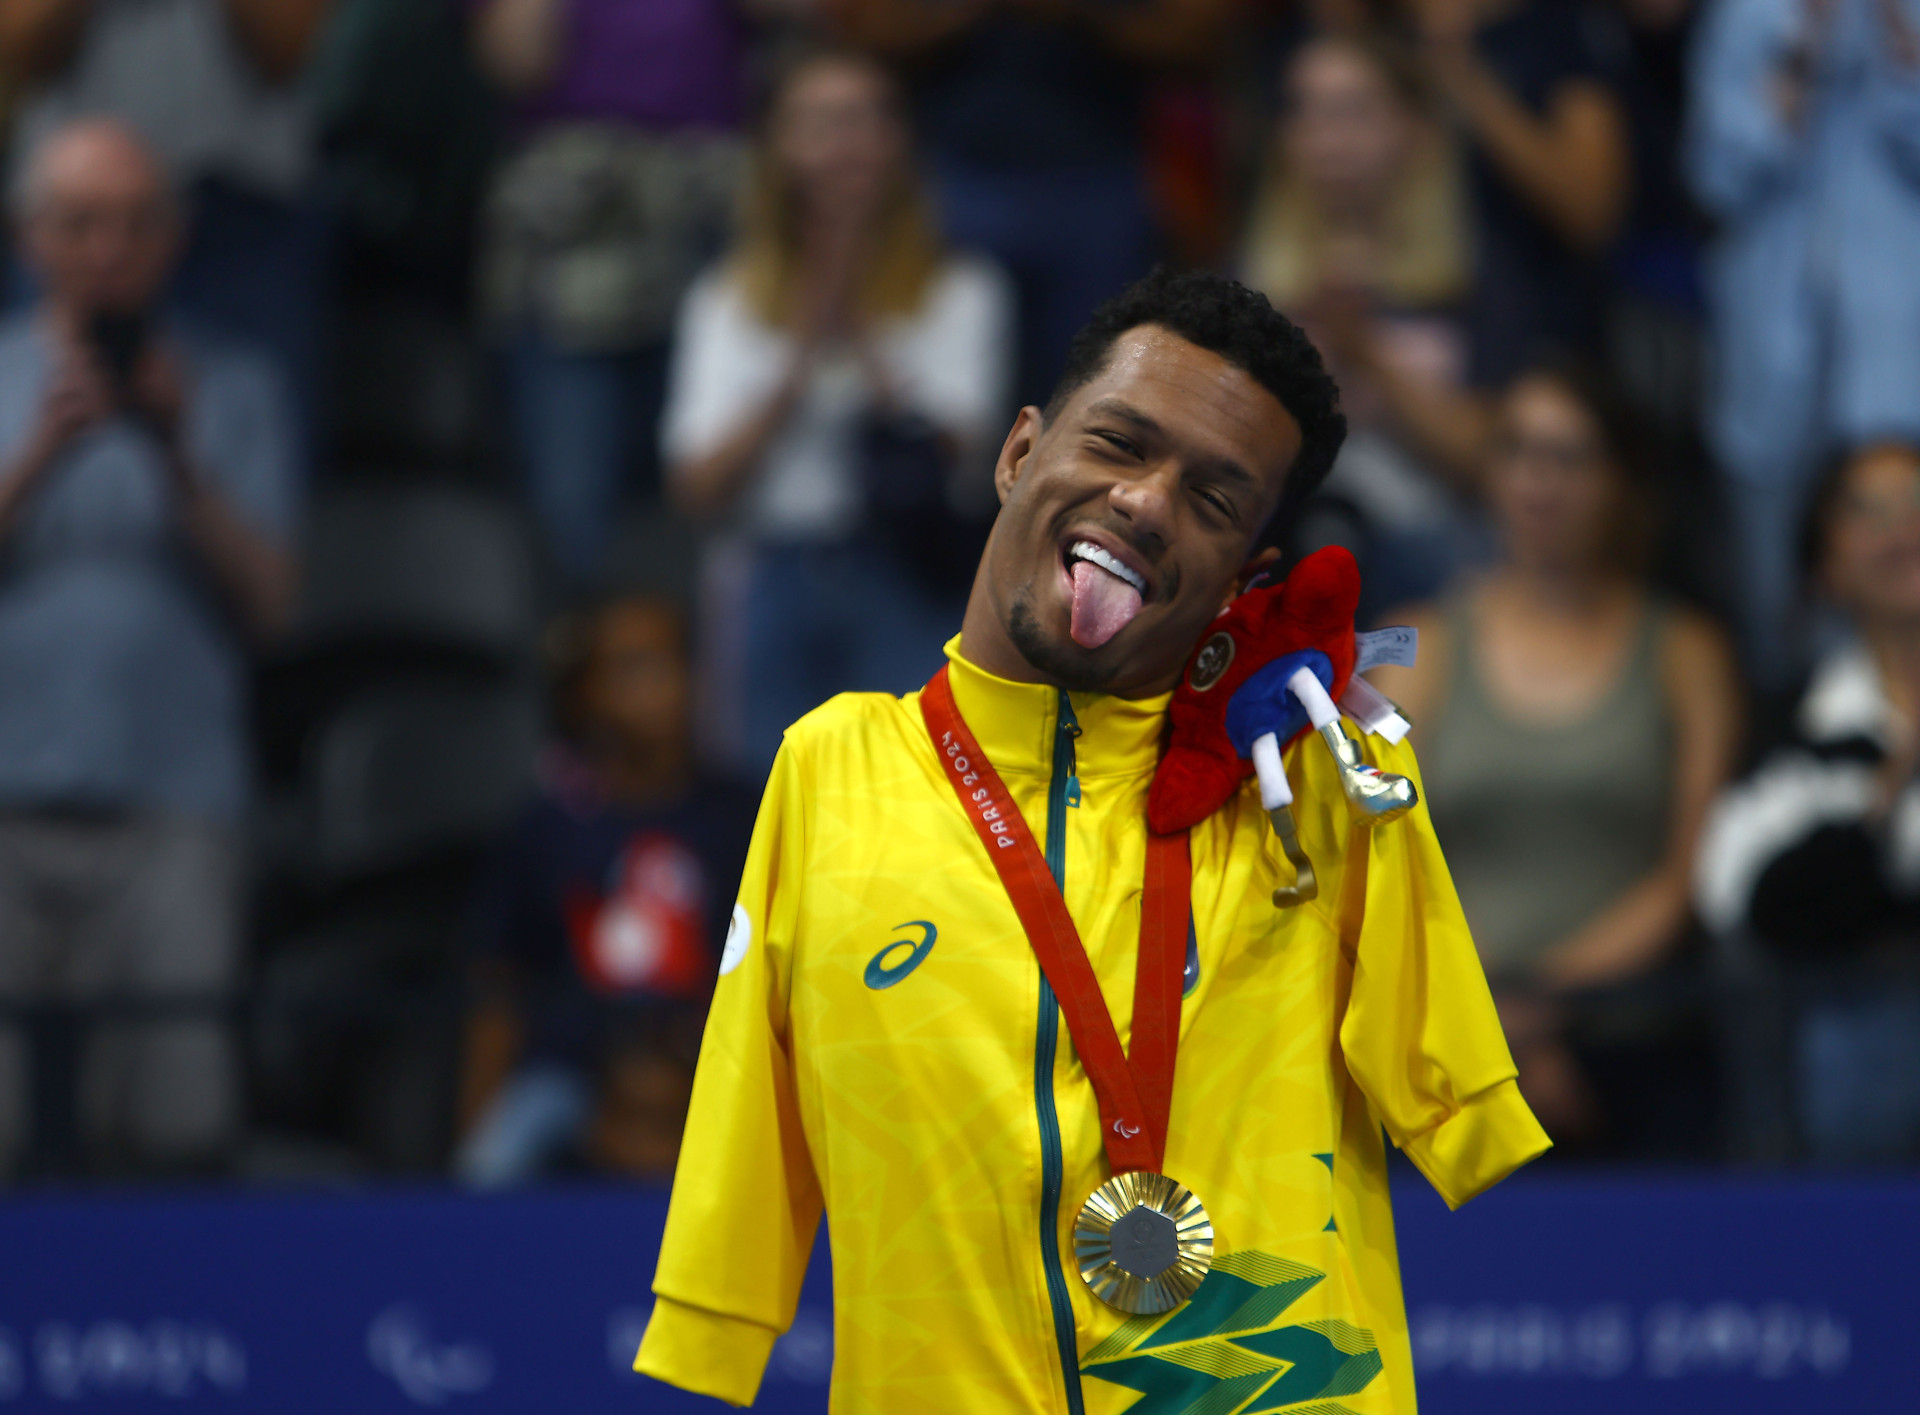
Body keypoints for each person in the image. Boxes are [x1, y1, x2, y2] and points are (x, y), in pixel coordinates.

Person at [634, 268, 1547, 1409]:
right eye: (1120, 442)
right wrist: (711, 1323)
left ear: (1244, 576)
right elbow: (746, 1127)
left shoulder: (1314, 771)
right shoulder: (831, 770)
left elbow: (1457, 1099)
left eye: (1215, 500)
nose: (1150, 502)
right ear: (1019, 451)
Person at [0, 120, 300, 1177]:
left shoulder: (235, 385)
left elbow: (274, 608)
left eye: (133, 224)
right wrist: (39, 449)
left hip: (176, 806)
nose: (107, 250)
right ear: (28, 236)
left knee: (176, 1135)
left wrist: (178, 459)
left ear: (172, 239)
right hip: (5, 800)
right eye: (81, 224)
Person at [1369, 360, 1741, 1146]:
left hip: (1634, 1048)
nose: (1540, 480)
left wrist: (1535, 1010)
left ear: (1621, 481)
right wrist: (1489, 1019)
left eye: (1570, 456)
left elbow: (1688, 875)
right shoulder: (1417, 642)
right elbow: (1377, 861)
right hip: (1443, 1042)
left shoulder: (1686, 652)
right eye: (1516, 450)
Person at [661, 46, 1014, 777]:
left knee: (908, 794)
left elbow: (969, 462)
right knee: (764, 801)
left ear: (898, 140)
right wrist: (796, 364)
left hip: (905, 570)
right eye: (820, 122)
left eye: (862, 119)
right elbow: (695, 485)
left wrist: (861, 335)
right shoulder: (727, 300)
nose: (844, 144)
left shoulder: (963, 291)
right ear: (779, 147)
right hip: (771, 570)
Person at [456, 593, 756, 1187]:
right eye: (623, 668)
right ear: (586, 691)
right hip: (570, 1072)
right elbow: (500, 985)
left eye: (660, 663)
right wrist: (475, 1124)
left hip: (709, 1068)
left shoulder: (741, 816)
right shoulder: (550, 825)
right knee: (491, 1167)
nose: (648, 687)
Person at [1695, 441, 1920, 1164]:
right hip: (1867, 1056)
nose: (1902, 531)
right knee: (1855, 1018)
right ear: (1826, 566)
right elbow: (1740, 892)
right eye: (1868, 512)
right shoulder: (1801, 727)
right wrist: (1884, 803)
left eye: (1918, 504)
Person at [468, 0, 747, 583]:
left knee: (702, 493)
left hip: (707, 212)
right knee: (570, 504)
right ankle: (578, 662)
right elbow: (517, 61)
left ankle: (692, 661)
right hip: (573, 238)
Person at [835, 0, 1230, 406]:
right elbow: (862, 29)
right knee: (943, 379)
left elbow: (1203, 40)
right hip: (955, 173)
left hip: (1096, 180)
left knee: (1096, 383)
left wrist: (1081, 12)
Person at [1686, 0, 1920, 684]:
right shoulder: (1744, 16)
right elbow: (1718, 174)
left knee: (1901, 558)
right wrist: (1805, 42)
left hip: (1895, 360)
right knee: (1775, 593)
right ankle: (1796, 734)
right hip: (1769, 357)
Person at [0, 0, 336, 453]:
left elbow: (291, 50)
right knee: (40, 431)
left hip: (241, 209)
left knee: (253, 460)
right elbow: (22, 46)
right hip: (72, 203)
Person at [1241, 31, 1483, 613]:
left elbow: (1485, 462)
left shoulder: (1471, 278)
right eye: (1306, 110)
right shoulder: (1245, 287)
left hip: (1434, 564)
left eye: (1352, 111)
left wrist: (1363, 349)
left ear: (1416, 128)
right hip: (1281, 554)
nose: (1328, 137)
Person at [1409, 0, 1631, 390]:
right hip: (1410, 323)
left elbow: (1590, 211)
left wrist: (1457, 66)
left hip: (1535, 338)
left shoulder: (1556, 33)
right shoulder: (1379, 26)